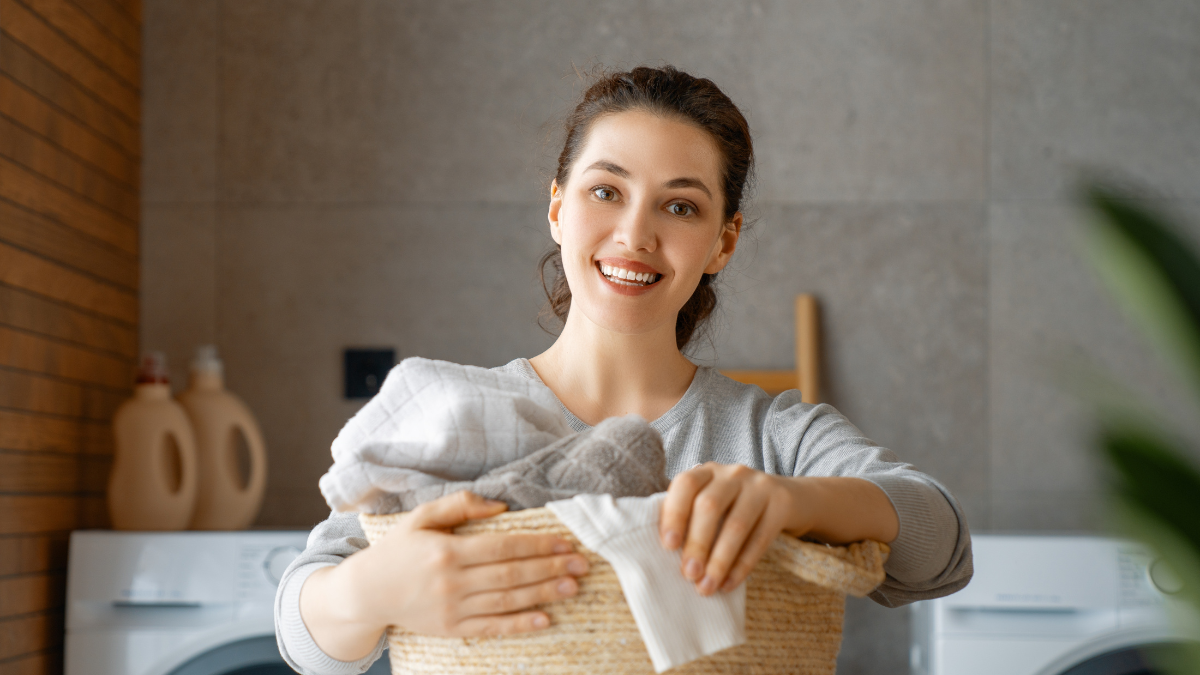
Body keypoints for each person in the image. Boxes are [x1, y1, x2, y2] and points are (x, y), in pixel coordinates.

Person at [275, 65, 972, 674]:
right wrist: (368, 592)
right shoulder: (448, 411)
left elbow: (943, 546)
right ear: (557, 207)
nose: (636, 234)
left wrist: (796, 502)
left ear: (723, 241)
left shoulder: (772, 438)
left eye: (680, 206)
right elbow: (305, 637)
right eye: (606, 191)